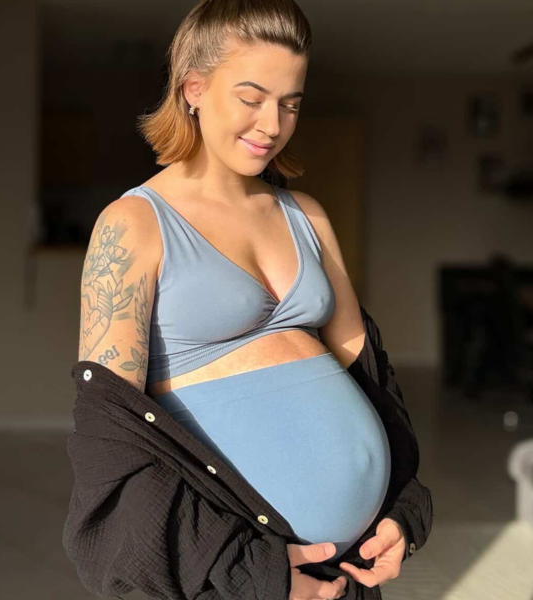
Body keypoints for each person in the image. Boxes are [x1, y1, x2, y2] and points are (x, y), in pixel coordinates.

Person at [78, 0, 413, 597]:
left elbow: (372, 380)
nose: (272, 124)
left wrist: (401, 512)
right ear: (194, 89)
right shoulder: (134, 225)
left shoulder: (307, 215)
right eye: (252, 98)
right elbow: (112, 439)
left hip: (348, 571)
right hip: (232, 574)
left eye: (290, 104)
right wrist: (254, 574)